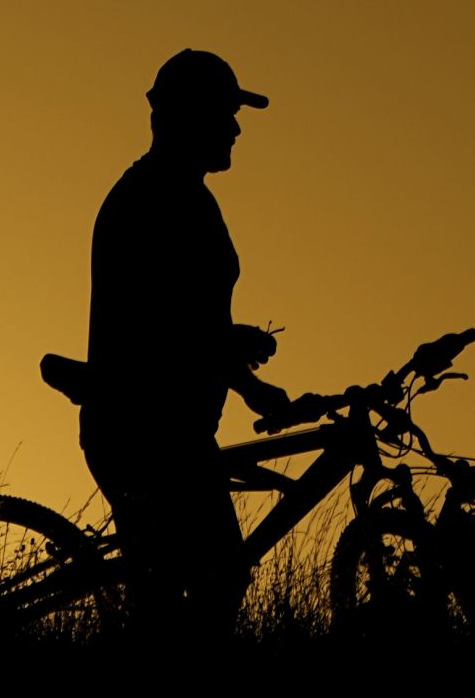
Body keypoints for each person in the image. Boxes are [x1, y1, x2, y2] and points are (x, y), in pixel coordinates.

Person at [79, 49, 290, 636]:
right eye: (225, 112)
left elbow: (190, 322)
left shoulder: (188, 197)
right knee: (215, 578)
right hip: (147, 428)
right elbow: (160, 323)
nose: (235, 127)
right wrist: (231, 341)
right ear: (187, 117)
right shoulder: (152, 197)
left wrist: (246, 383)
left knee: (187, 588)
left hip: (169, 426)